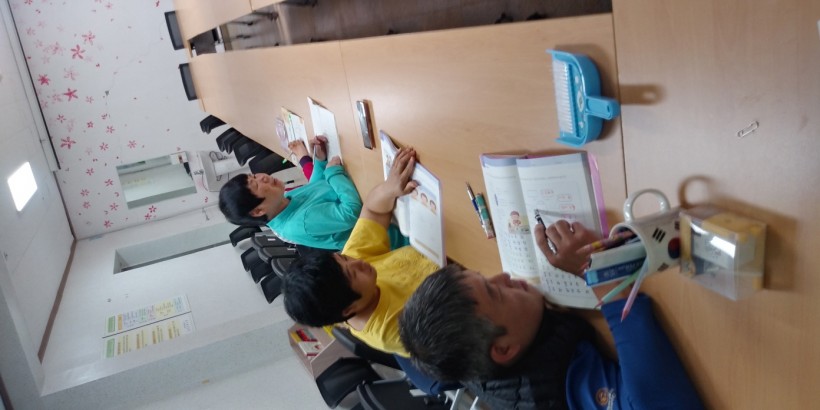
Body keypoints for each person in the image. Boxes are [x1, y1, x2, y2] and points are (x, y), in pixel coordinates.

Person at [399, 220, 704, 410]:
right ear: (504, 348)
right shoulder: (560, 390)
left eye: (486, 278)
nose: (505, 277)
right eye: (496, 293)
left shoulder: (475, 356)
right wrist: (599, 274)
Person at [281, 147, 458, 395]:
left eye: (344, 258)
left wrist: (389, 188)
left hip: (450, 254)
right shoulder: (395, 328)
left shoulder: (347, 270)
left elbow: (373, 211)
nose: (358, 263)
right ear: (348, 310)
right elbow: (468, 308)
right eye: (353, 274)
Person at [219, 136, 406, 250]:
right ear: (258, 211)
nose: (263, 177)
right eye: (256, 185)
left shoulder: (282, 203)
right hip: (398, 227)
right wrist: (333, 173)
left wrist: (320, 160)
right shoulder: (300, 224)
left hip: (380, 205)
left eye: (253, 176)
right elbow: (351, 212)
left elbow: (316, 187)